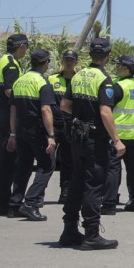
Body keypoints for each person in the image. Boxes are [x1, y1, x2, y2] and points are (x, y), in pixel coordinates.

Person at [59, 37, 123, 250]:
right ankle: (92, 234)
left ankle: (69, 230)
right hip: (94, 139)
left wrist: (80, 115)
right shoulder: (104, 80)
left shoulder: (78, 76)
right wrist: (116, 140)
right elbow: (105, 112)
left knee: (76, 182)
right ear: (108, 55)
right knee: (93, 185)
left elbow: (65, 105)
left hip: (76, 136)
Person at [6, 48, 58, 221]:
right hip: (37, 131)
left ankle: (14, 205)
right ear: (45, 63)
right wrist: (51, 135)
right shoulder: (42, 82)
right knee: (46, 165)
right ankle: (31, 202)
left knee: (23, 167)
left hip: (21, 130)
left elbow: (12, 110)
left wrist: (13, 134)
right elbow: (45, 109)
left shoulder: (20, 81)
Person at [0, 33, 29, 216]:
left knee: (2, 160)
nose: (26, 51)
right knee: (8, 160)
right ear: (21, 47)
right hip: (6, 116)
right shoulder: (12, 64)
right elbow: (9, 91)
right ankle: (2, 203)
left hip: (0, 114)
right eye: (26, 47)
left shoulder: (4, 59)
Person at [104, 54, 134, 213]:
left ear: (126, 68)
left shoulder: (119, 87)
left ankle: (109, 203)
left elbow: (106, 108)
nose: (116, 68)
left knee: (113, 169)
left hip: (118, 136)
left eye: (118, 66)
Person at [47, 50, 78, 204]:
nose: (69, 62)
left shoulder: (79, 80)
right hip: (54, 125)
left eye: (71, 60)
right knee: (47, 161)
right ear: (62, 60)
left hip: (70, 126)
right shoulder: (52, 79)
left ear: (76, 62)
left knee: (67, 162)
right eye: (66, 59)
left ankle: (65, 193)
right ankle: (38, 195)